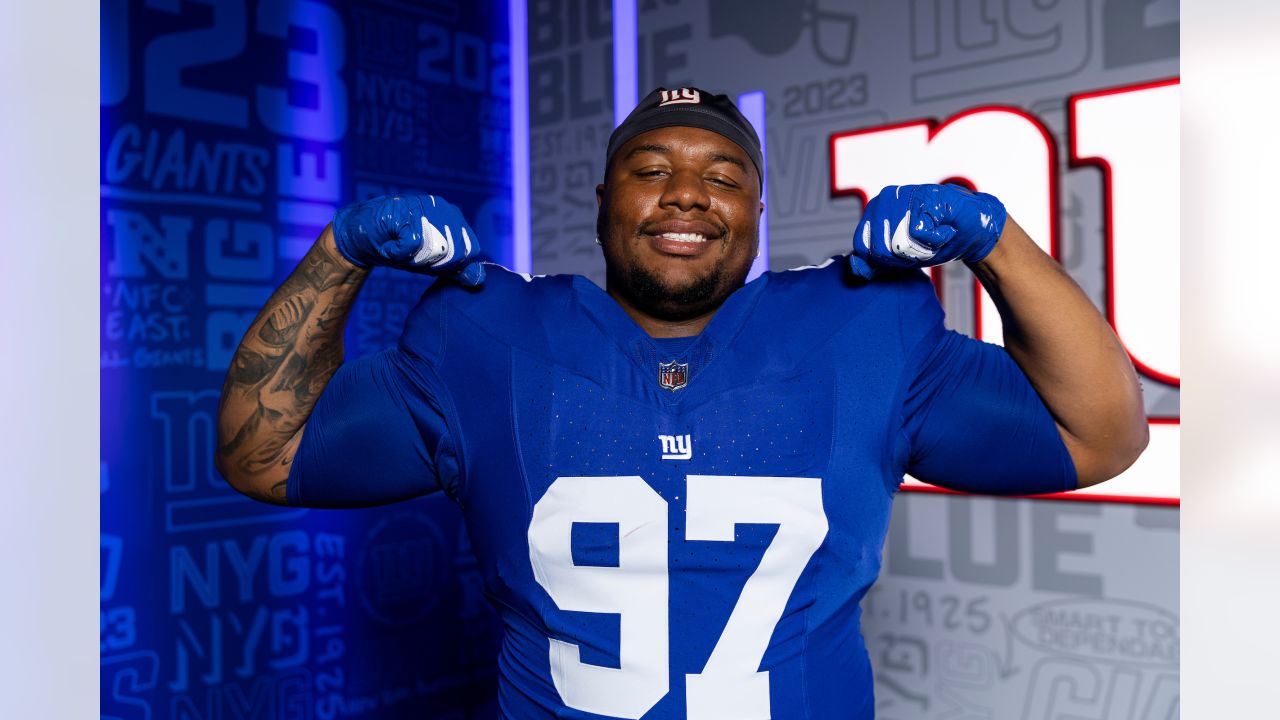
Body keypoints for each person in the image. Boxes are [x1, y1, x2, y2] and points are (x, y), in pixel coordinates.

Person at [215, 87, 1147, 719]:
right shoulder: (482, 337)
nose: (687, 194)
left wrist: (993, 239)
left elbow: (1099, 433)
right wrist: (344, 251)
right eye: (651, 168)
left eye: (725, 176)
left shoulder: (862, 329)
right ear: (603, 198)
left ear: (756, 211)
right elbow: (265, 454)